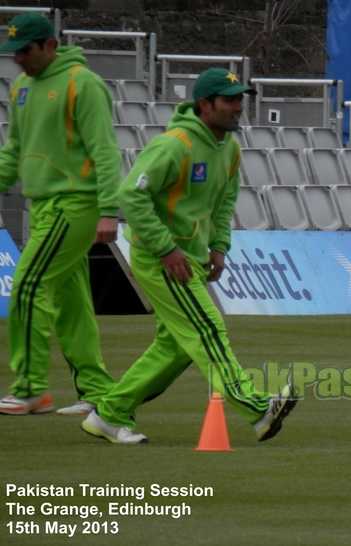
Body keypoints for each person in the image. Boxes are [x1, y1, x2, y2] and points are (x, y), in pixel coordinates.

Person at [81, 68, 297, 444]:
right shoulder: (175, 145)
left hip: (192, 258)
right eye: (229, 100)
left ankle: (109, 414)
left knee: (177, 347)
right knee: (208, 330)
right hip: (162, 258)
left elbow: (225, 202)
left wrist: (218, 247)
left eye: (240, 100)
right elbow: (131, 195)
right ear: (204, 105)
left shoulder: (228, 148)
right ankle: (259, 410)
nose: (238, 108)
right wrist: (166, 248)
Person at [0, 13, 119, 416]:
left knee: (29, 287)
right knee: (72, 304)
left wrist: (109, 211)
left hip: (75, 204)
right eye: (14, 53)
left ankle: (31, 388)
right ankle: (99, 391)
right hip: (43, 205)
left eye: (26, 51)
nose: (18, 60)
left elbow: (105, 151)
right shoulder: (20, 87)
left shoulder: (82, 84)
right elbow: (13, 148)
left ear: (49, 46)